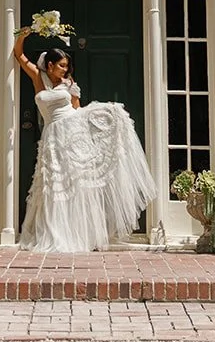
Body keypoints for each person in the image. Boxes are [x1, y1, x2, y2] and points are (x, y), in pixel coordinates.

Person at [13, 25, 153, 252]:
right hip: (52, 135)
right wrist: (23, 36)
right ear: (50, 65)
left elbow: (78, 110)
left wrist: (102, 117)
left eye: (67, 66)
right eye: (61, 65)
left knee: (76, 183)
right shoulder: (39, 77)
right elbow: (19, 55)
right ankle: (54, 231)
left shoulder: (69, 84)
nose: (65, 70)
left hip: (72, 134)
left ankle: (79, 234)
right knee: (53, 184)